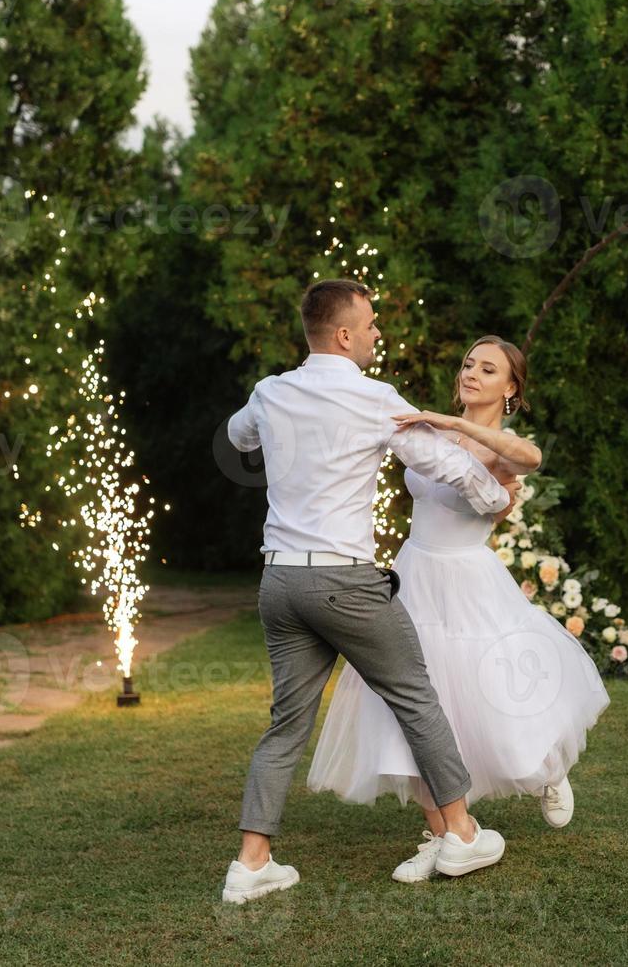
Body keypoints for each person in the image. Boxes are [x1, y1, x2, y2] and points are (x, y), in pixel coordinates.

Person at [220, 280, 518, 904]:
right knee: (416, 697)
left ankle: (251, 865)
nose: (379, 333)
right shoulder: (373, 398)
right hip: (344, 582)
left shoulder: (270, 392)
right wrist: (495, 499)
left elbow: (239, 438)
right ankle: (461, 834)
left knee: (286, 725)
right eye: (373, 324)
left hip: (279, 581)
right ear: (345, 334)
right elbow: (448, 463)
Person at [308, 334, 610, 883]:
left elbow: (533, 458)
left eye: (488, 369)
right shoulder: (428, 429)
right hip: (415, 573)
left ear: (510, 387)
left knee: (500, 693)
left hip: (469, 579)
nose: (471, 373)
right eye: (469, 363)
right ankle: (447, 833)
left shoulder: (499, 444)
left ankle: (548, 768)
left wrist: (461, 428)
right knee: (418, 702)